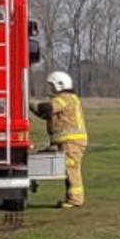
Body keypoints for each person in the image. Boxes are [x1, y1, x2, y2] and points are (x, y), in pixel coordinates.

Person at [33, 71, 88, 209]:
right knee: (69, 169)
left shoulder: (64, 98)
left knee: (71, 169)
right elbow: (45, 114)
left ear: (59, 85)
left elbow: (46, 108)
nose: (51, 89)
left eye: (52, 86)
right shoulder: (68, 98)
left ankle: (75, 200)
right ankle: (72, 198)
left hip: (71, 142)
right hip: (67, 142)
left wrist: (28, 101)